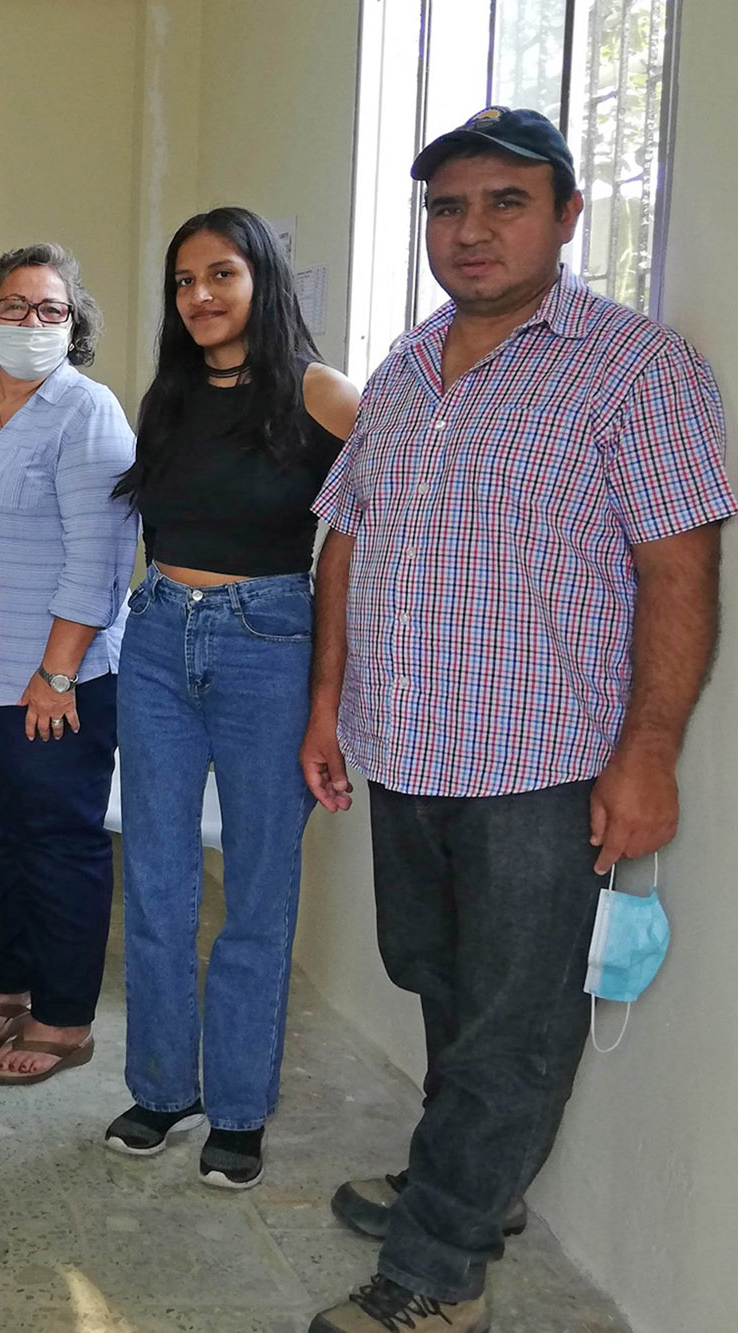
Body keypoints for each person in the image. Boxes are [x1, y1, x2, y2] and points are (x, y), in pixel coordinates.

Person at [300, 109, 732, 1333]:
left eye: (504, 202)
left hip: (539, 764)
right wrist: (326, 701)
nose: (471, 230)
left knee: (514, 1023)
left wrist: (646, 754)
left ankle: (438, 1272)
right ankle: (465, 1182)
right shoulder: (403, 367)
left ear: (565, 215)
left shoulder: (636, 369)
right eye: (447, 207)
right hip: (405, 748)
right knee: (435, 979)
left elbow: (676, 572)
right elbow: (346, 541)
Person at [106, 207, 360, 1189]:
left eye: (220, 274)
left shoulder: (322, 393)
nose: (199, 295)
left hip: (269, 643)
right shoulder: (167, 397)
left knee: (256, 886)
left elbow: (364, 539)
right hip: (157, 636)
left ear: (261, 279)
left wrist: (331, 696)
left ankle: (240, 1107)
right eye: (183, 280)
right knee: (157, 878)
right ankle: (163, 1087)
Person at [0, 244, 137, 1086]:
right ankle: (10, 983)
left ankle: (64, 1015)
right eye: (14, 306)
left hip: (53, 680)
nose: (31, 321)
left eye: (51, 308)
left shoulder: (86, 411)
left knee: (57, 843)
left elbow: (101, 555)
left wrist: (56, 674)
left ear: (74, 322)